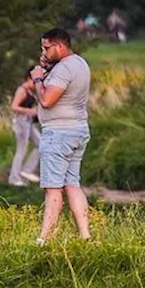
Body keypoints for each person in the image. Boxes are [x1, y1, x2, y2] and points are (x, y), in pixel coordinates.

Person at [31, 28, 92, 244]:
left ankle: (43, 240)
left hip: (59, 134)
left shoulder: (64, 69)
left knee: (53, 188)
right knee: (72, 185)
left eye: (47, 48)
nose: (43, 52)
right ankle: (85, 237)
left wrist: (38, 79)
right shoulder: (80, 64)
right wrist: (47, 69)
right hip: (78, 129)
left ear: (60, 46)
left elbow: (47, 100)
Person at [8, 72, 42, 186]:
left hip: (28, 122)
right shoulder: (21, 90)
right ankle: (14, 178)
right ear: (28, 78)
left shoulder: (30, 92)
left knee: (41, 144)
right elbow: (14, 106)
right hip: (21, 122)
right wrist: (30, 111)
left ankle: (27, 170)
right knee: (21, 149)